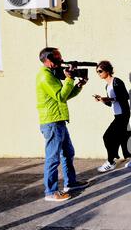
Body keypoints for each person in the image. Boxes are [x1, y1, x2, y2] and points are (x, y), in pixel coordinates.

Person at [36, 47, 90, 202]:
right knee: (53, 158)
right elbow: (60, 96)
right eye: (57, 59)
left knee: (68, 152)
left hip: (59, 120)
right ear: (47, 60)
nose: (61, 61)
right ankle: (50, 192)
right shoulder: (45, 77)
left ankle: (70, 183)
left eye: (60, 58)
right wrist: (69, 79)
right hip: (52, 122)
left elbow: (65, 95)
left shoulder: (52, 75)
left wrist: (78, 86)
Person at [94, 60, 131, 172]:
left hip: (123, 114)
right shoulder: (107, 86)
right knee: (125, 137)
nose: (99, 73)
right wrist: (102, 100)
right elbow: (111, 103)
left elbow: (125, 96)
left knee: (107, 137)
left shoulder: (116, 82)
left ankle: (111, 161)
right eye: (97, 72)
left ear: (107, 70)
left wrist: (109, 98)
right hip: (117, 114)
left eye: (100, 71)